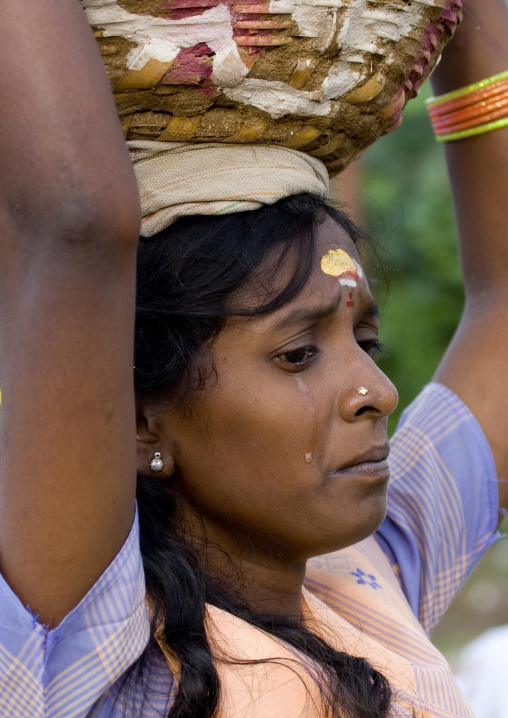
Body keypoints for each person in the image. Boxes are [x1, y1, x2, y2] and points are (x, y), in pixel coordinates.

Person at [0, 1, 507, 717]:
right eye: (298, 354)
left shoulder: (367, 588)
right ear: (142, 422)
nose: (378, 392)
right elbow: (75, 221)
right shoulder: (89, 639)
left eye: (366, 344)